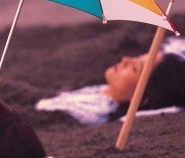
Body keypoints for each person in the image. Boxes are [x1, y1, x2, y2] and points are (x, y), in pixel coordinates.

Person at [36, 40, 185, 125]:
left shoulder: (92, 115)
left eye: (134, 68)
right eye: (136, 57)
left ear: (141, 99)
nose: (125, 59)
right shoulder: (100, 90)